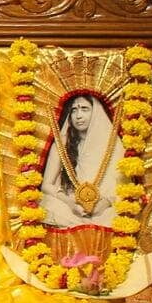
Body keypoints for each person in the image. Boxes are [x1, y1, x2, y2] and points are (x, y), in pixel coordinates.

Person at [39, 93, 120, 228]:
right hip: (69, 205)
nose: (78, 116)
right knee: (47, 204)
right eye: (74, 110)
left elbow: (122, 186)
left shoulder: (112, 144)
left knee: (120, 213)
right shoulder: (61, 143)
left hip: (104, 207)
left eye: (84, 109)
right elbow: (46, 185)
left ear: (96, 113)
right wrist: (70, 203)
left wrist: (103, 204)